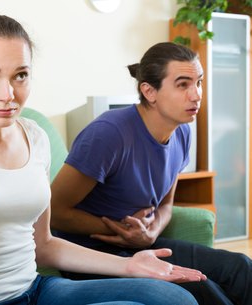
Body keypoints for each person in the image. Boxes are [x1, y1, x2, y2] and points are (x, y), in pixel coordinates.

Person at [0, 15, 205, 305]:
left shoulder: (34, 135)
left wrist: (130, 265)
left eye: (20, 76)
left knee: (173, 298)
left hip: (34, 289)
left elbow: (43, 246)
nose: (8, 94)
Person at [50, 41, 252, 305]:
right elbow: (53, 212)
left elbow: (166, 203)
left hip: (141, 244)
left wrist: (151, 232)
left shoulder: (182, 131)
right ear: (149, 91)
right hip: (89, 253)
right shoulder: (108, 134)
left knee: (241, 266)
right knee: (202, 288)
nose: (196, 95)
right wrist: (123, 230)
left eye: (199, 82)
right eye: (183, 84)